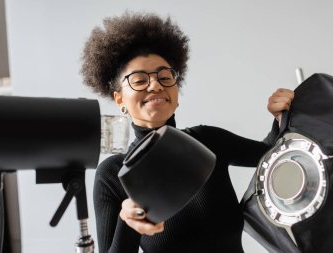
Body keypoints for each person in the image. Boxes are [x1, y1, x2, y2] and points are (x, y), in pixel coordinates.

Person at [81, 11, 294, 253]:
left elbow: (272, 156)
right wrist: (127, 223)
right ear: (119, 99)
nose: (156, 85)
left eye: (165, 76)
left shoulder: (208, 140)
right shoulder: (112, 175)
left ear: (176, 95)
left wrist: (280, 116)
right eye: (139, 80)